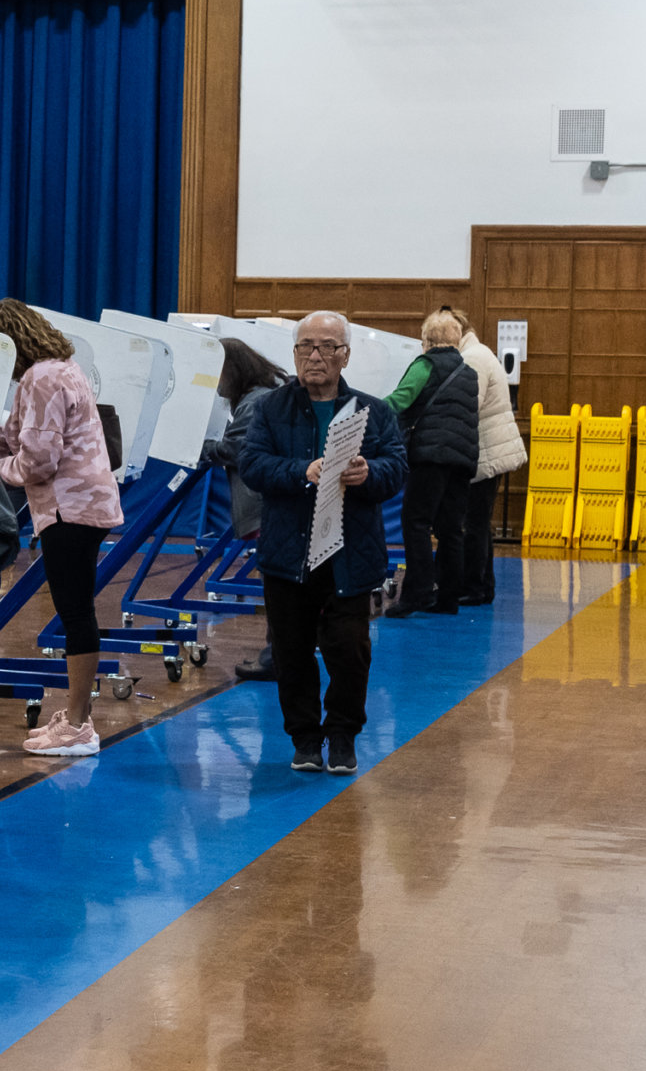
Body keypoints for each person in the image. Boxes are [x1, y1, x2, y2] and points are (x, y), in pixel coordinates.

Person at [237, 311, 409, 775]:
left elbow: (397, 468)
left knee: (350, 649)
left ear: (345, 355)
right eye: (306, 346)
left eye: (327, 346)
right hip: (287, 554)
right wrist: (301, 471)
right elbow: (252, 465)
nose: (316, 355)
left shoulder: (375, 411)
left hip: (351, 554)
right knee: (291, 652)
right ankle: (306, 739)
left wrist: (368, 473)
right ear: (293, 354)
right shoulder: (270, 409)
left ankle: (343, 735)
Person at [0, 298, 122, 758]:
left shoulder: (42, 378)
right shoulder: (60, 368)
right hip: (81, 505)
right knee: (75, 612)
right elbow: (15, 433)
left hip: (69, 509)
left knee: (75, 615)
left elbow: (37, 462)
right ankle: (78, 718)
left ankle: (79, 725)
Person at [201, 337, 289, 682]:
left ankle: (275, 659)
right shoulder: (271, 391)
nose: (218, 383)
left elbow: (237, 448)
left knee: (278, 587)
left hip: (269, 504)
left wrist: (202, 446)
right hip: (277, 501)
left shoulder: (255, 402)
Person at [384, 309, 481, 616]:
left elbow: (400, 400)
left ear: (426, 340)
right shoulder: (468, 372)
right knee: (451, 528)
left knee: (416, 523)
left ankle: (416, 594)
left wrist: (366, 406)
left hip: (430, 456)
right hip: (462, 458)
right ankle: (448, 597)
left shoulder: (426, 365)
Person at [447, 306, 524, 607]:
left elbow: (468, 405)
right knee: (479, 523)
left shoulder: (472, 359)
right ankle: (482, 586)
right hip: (489, 449)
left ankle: (474, 587)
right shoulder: (479, 353)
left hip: (483, 452)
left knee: (473, 524)